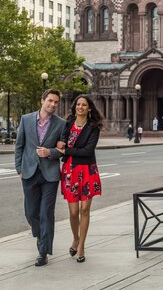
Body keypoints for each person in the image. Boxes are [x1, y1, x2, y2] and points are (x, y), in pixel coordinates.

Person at [14, 89, 66, 267]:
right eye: (50, 101)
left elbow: (62, 151)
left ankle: (43, 252)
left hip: (50, 176)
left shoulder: (61, 124)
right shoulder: (26, 119)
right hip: (29, 173)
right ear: (42, 100)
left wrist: (49, 152)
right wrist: (18, 167)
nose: (52, 105)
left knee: (46, 214)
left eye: (56, 102)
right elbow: (19, 145)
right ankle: (39, 233)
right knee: (31, 213)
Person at [57, 95, 103, 263]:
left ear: (89, 108)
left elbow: (87, 151)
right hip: (70, 170)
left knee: (84, 210)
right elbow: (61, 142)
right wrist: (61, 145)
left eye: (84, 105)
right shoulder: (68, 124)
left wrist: (66, 151)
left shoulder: (93, 127)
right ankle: (75, 238)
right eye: (78, 104)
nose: (80, 107)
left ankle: (81, 245)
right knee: (73, 212)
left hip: (87, 170)